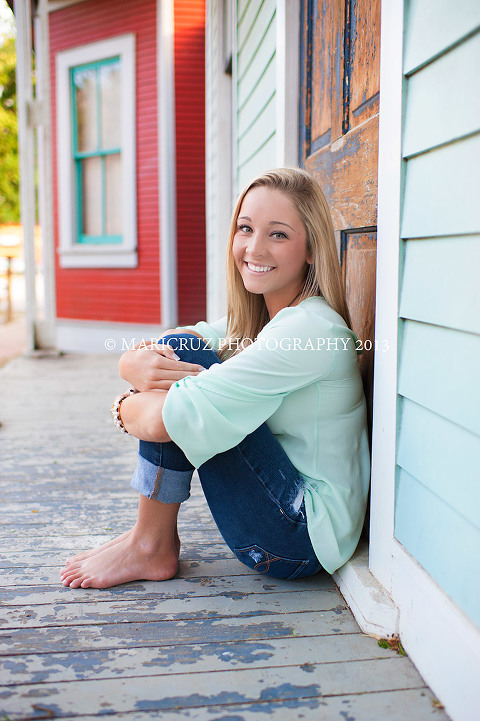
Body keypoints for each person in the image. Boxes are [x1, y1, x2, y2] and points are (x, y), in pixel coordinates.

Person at [61, 168, 370, 590]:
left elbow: (161, 420)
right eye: (246, 229)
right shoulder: (268, 317)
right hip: (289, 513)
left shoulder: (309, 331)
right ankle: (148, 539)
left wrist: (122, 404)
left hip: (298, 536)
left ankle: (150, 544)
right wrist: (132, 362)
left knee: (187, 396)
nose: (254, 248)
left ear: (312, 248)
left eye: (278, 234)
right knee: (181, 358)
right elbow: (183, 340)